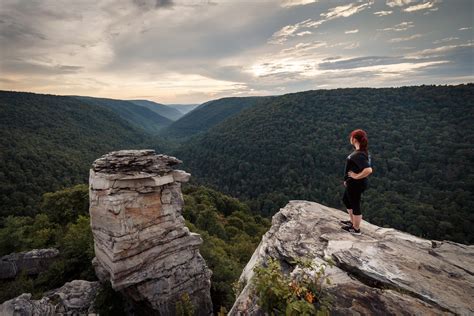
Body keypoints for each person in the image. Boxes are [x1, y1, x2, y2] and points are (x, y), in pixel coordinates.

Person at [341, 129, 373, 235]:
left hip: (356, 185)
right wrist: (348, 179)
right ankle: (352, 221)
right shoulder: (362, 152)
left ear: (354, 139)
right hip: (353, 183)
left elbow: (368, 170)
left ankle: (356, 229)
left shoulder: (359, 154)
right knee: (346, 199)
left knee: (355, 204)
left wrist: (355, 177)